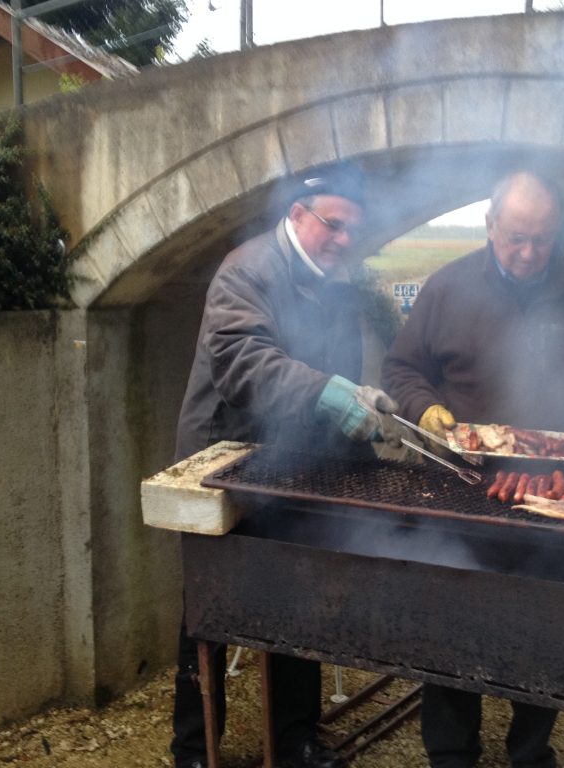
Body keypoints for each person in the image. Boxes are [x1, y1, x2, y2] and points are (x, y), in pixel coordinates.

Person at [381, 170, 564, 768]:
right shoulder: (447, 287)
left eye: (542, 239)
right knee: (450, 615)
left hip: (555, 487)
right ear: (491, 225)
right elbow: (402, 368)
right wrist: (425, 408)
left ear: (557, 231)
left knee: (545, 620)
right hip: (462, 481)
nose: (528, 252)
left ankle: (529, 749)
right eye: (516, 237)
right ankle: (452, 751)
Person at [171, 162, 404, 768]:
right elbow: (242, 362)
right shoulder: (245, 271)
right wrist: (330, 393)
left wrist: (366, 443)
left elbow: (338, 382)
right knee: (210, 605)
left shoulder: (335, 283)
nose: (345, 240)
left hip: (294, 461)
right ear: (298, 215)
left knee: (298, 595)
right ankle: (194, 749)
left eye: (354, 230)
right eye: (334, 224)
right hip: (224, 456)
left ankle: (295, 740)